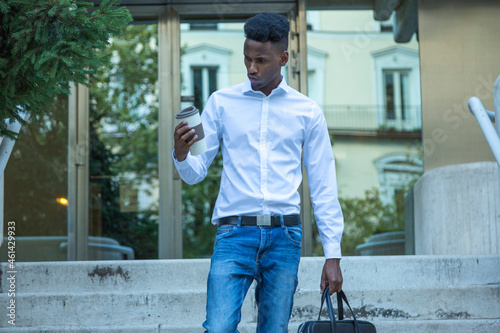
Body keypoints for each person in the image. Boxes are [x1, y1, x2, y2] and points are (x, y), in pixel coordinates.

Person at [173, 12, 344, 333]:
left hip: (285, 237)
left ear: (282, 58)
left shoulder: (307, 111)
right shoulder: (221, 103)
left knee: (273, 330)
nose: (252, 67)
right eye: (247, 59)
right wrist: (181, 154)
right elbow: (195, 172)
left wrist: (332, 254)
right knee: (219, 328)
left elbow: (323, 185)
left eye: (261, 60)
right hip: (233, 235)